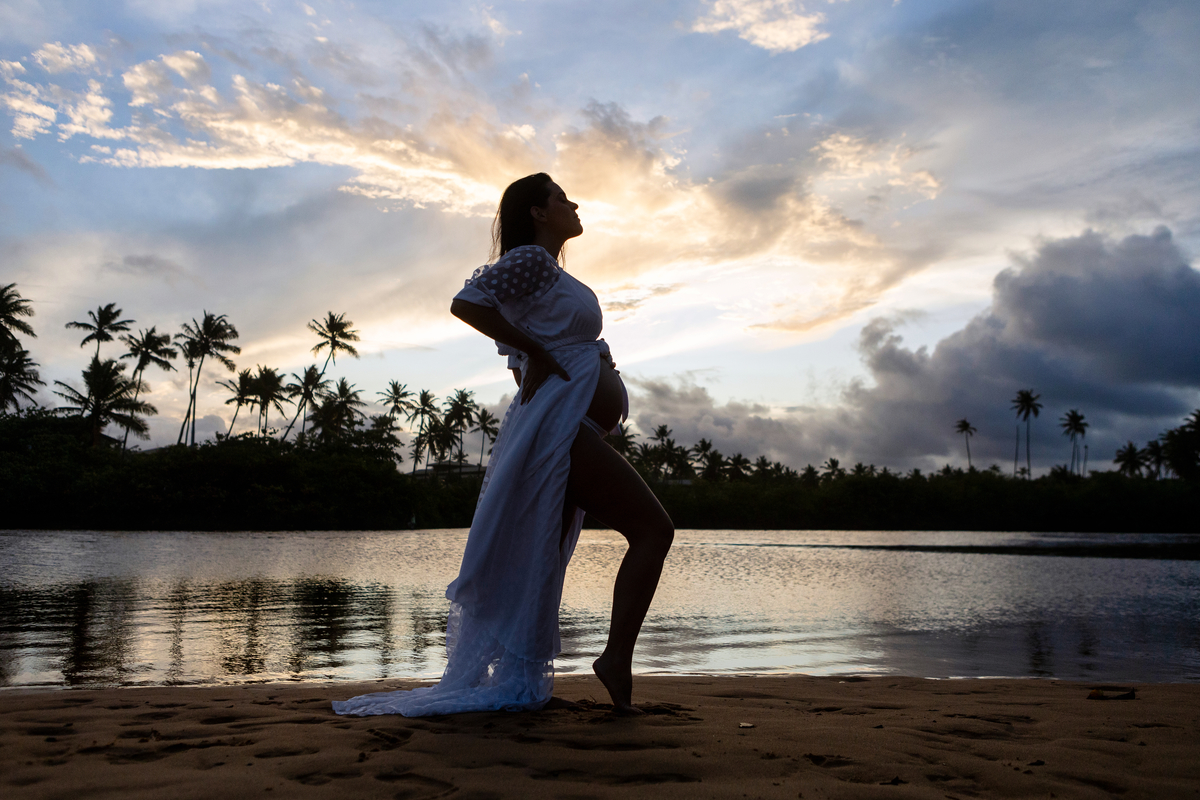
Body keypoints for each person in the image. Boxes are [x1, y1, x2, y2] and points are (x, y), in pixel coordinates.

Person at [333, 173, 673, 717]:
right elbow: (467, 303)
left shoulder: (547, 274)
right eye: (563, 197)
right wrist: (539, 350)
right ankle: (615, 660)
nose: (575, 201)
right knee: (654, 530)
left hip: (565, 425)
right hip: (557, 429)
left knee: (542, 557)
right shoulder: (533, 261)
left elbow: (524, 362)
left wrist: (570, 360)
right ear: (538, 212)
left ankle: (530, 676)